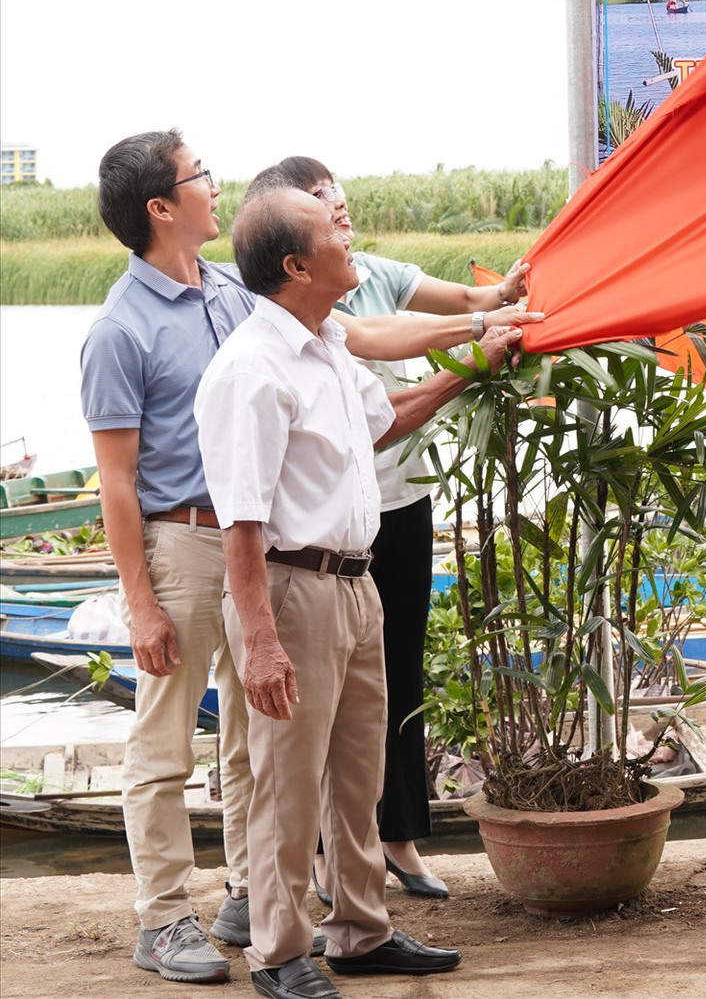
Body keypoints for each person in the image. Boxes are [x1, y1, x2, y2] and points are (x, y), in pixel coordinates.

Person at [79, 130, 535, 983]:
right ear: (160, 205)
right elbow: (143, 487)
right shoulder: (150, 336)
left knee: (322, 764)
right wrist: (156, 605)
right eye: (198, 174)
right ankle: (218, 930)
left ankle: (345, 922)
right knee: (206, 749)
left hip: (319, 566)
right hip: (213, 545)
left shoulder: (260, 308)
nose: (346, 234)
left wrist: (475, 350)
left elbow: (380, 406)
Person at [196, 187, 518, 999]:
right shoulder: (251, 368)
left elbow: (384, 419)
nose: (350, 242)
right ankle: (278, 948)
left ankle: (360, 929)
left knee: (356, 771)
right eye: (331, 236)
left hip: (351, 581)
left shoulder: (326, 341)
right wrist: (260, 639)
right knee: (287, 778)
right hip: (289, 587)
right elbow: (240, 522)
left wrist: (470, 369)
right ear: (296, 265)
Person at [248, 157, 528, 900]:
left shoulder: (333, 325)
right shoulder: (276, 348)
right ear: (294, 257)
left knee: (375, 714)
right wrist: (475, 343)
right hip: (302, 568)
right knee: (300, 743)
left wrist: (483, 329)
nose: (345, 228)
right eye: (325, 218)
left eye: (341, 209)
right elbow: (243, 516)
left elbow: (390, 398)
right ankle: (285, 924)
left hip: (369, 539)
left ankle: (368, 894)